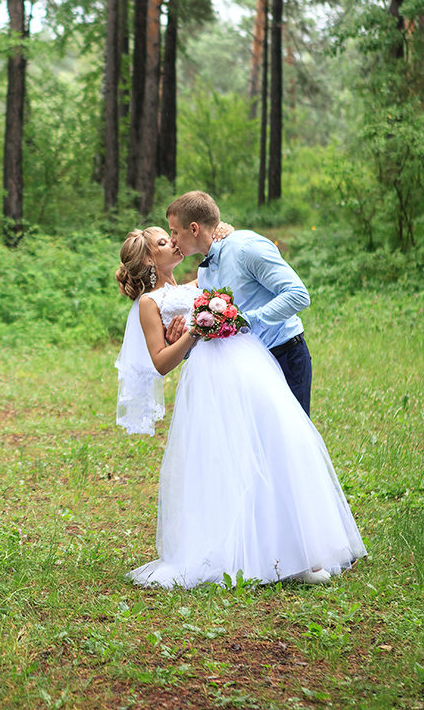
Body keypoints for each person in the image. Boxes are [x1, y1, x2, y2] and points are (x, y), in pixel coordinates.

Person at [114, 227, 365, 590]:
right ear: (150, 259)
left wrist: (221, 235)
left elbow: (214, 252)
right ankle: (239, 550)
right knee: (227, 460)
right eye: (165, 241)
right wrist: (192, 333)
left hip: (248, 366)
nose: (174, 242)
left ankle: (295, 550)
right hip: (209, 383)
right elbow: (162, 362)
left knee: (277, 442)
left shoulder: (197, 279)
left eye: (173, 235)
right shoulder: (150, 305)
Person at [166, 191, 313, 415]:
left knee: (290, 444)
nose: (172, 239)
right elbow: (219, 327)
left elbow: (298, 294)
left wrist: (245, 321)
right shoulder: (204, 273)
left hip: (284, 355)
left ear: (194, 228)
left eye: (175, 231)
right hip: (246, 367)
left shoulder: (246, 248)